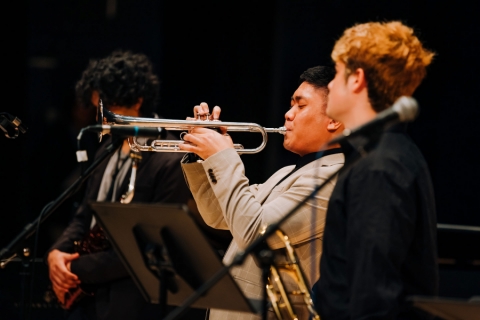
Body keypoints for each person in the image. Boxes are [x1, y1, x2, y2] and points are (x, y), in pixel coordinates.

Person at [46, 50, 205, 320]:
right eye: (97, 109)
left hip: (134, 303)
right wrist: (57, 253)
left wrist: (76, 268)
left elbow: (150, 246)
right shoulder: (105, 149)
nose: (101, 119)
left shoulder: (168, 160)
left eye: (108, 109)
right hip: (89, 298)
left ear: (137, 100)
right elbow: (85, 215)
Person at [179, 66, 345, 319]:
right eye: (291, 105)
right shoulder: (288, 171)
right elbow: (218, 215)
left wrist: (223, 156)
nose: (288, 115)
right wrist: (201, 154)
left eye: (300, 106)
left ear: (334, 119)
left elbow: (256, 234)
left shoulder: (335, 177)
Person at [313, 21, 438, 319]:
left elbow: (374, 296)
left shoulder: (380, 168)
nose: (329, 85)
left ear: (356, 79)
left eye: (336, 71)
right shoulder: (386, 155)